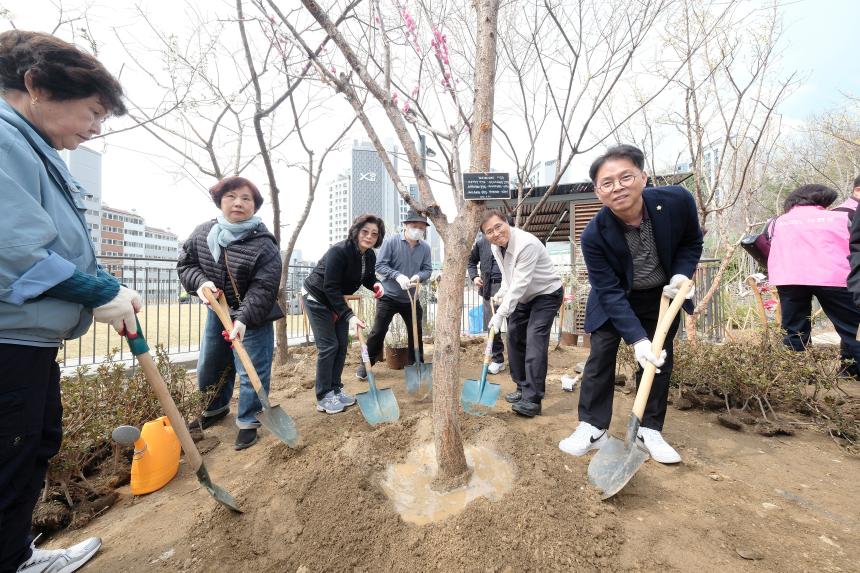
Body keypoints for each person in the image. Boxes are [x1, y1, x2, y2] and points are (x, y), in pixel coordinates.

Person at [0, 30, 141, 573]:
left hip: (28, 341)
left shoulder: (35, 148)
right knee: (9, 458)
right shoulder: (6, 141)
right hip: (7, 344)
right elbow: (15, 254)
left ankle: (15, 556)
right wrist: (100, 292)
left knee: (33, 447)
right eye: (93, 112)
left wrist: (105, 284)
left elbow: (64, 245)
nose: (95, 128)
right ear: (36, 85)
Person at [559, 144, 703, 464]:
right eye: (607, 183)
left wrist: (680, 275)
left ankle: (648, 429)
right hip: (615, 298)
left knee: (657, 360)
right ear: (598, 192)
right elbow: (608, 291)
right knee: (600, 355)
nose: (618, 187)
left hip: (661, 294)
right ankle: (593, 427)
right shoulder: (594, 235)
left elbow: (692, 241)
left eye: (626, 177)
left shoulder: (677, 201)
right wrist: (637, 339)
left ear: (643, 177)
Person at [177, 176, 284, 451]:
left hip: (254, 316)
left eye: (246, 198)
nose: (238, 203)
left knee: (252, 370)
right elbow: (186, 264)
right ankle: (214, 409)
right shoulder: (203, 233)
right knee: (211, 364)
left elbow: (264, 286)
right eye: (231, 196)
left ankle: (249, 420)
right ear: (220, 201)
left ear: (255, 206)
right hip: (218, 310)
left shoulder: (264, 243)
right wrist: (200, 283)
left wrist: (244, 318)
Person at [769, 184, 860, 379]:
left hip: (788, 277)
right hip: (832, 276)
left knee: (794, 329)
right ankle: (852, 369)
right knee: (851, 326)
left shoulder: (778, 221)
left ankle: (797, 375)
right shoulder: (841, 217)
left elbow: (767, 243)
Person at [482, 212, 563, 417]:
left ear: (507, 223)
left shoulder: (526, 244)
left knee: (534, 339)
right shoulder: (495, 247)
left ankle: (533, 398)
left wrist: (500, 313)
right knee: (515, 337)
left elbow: (520, 284)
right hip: (523, 297)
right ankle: (522, 386)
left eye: (498, 226)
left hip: (546, 293)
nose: (496, 233)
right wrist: (502, 292)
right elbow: (510, 278)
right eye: (489, 231)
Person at [304, 215, 385, 414]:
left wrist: (375, 283)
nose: (369, 236)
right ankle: (323, 396)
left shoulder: (369, 256)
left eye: (374, 234)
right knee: (329, 346)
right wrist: (349, 315)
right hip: (318, 298)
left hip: (337, 301)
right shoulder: (338, 252)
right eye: (365, 232)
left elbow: (367, 277)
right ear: (356, 231)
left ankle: (335, 389)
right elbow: (329, 287)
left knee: (341, 345)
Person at [357, 210, 432, 379]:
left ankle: (416, 364)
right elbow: (380, 266)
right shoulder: (391, 242)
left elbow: (427, 269)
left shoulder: (425, 248)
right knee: (378, 331)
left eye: (422, 228)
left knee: (416, 332)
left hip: (412, 298)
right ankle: (366, 364)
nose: (418, 230)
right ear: (405, 226)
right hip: (389, 296)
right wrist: (397, 276)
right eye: (414, 226)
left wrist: (418, 276)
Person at [468, 229, 506, 374]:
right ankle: (498, 360)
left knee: (515, 327)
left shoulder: (509, 241)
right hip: (488, 288)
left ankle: (519, 361)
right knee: (492, 327)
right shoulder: (481, 243)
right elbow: (471, 261)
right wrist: (474, 277)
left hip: (509, 287)